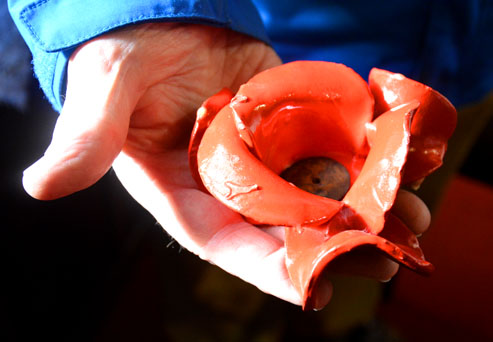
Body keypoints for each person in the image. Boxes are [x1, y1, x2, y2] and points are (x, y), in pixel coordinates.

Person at [8, 0, 491, 311]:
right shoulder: (213, 133)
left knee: (372, 262)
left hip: (458, 72)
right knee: (222, 290)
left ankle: (345, 325)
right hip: (238, 36)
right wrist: (133, 12)